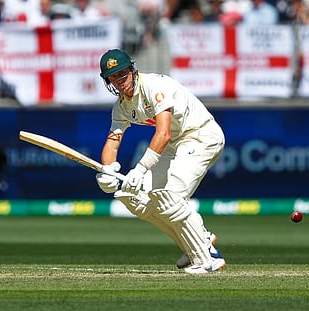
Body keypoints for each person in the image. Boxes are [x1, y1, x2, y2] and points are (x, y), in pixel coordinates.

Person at [96, 48, 227, 274]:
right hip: (177, 143)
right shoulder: (121, 106)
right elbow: (112, 142)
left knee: (170, 198)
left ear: (132, 70)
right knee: (133, 197)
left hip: (200, 136)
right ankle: (194, 242)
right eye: (114, 78)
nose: (120, 81)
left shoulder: (154, 86)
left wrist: (140, 169)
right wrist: (107, 170)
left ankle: (207, 259)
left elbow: (163, 133)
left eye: (122, 74)